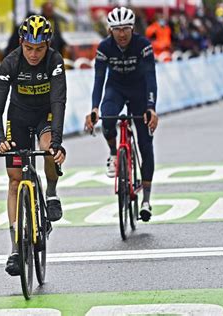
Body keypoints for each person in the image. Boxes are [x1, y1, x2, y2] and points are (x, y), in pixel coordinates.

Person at [0, 15, 67, 276]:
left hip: (45, 115)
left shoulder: (55, 61)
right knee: (14, 180)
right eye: (29, 48)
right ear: (21, 42)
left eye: (40, 48)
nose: (34, 54)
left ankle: (52, 193)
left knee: (47, 148)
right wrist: (0, 141)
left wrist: (57, 142)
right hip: (18, 119)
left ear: (48, 45)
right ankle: (14, 249)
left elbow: (58, 101)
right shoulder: (10, 62)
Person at [84, 7, 158, 222]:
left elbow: (151, 78)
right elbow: (99, 79)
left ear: (132, 28)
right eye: (117, 30)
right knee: (107, 118)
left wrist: (151, 107)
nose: (122, 34)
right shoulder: (104, 47)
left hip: (139, 91)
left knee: (145, 143)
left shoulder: (143, 46)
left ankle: (146, 199)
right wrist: (94, 107)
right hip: (115, 89)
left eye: (126, 29)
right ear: (110, 30)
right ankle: (114, 155)